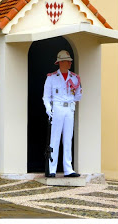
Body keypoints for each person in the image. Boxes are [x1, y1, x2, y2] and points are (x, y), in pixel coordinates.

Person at [43, 50, 82, 178]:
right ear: (61, 62)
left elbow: (78, 96)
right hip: (58, 108)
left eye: (70, 61)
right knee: (54, 139)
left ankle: (68, 169)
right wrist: (49, 110)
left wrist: (71, 101)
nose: (70, 63)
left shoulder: (75, 78)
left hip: (69, 109)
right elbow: (46, 97)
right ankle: (52, 168)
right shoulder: (52, 77)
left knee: (68, 139)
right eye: (67, 61)